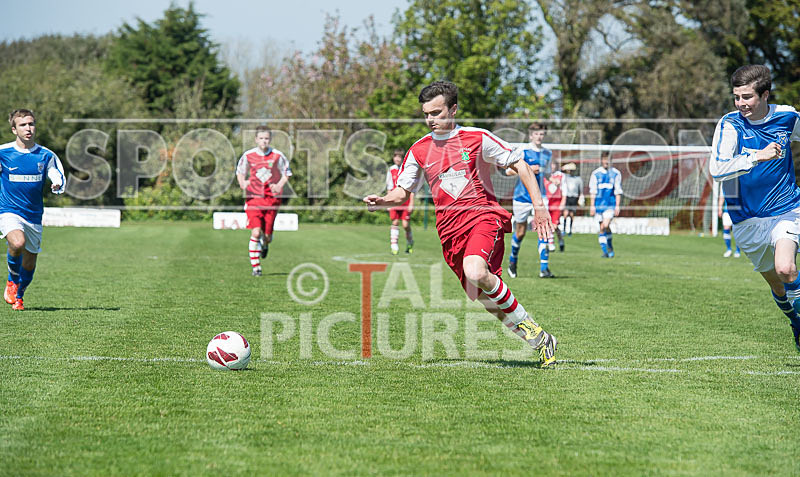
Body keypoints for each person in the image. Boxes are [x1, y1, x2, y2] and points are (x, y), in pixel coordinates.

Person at [363, 81, 558, 367]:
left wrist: (539, 208)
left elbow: (521, 165)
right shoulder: (419, 150)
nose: (431, 119)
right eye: (426, 114)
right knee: (485, 298)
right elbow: (403, 191)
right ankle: (540, 339)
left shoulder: (477, 138)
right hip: (449, 232)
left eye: (437, 112)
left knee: (475, 271)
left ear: (453, 109)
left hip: (482, 217)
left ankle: (530, 326)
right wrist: (383, 200)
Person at [709, 64, 800, 353]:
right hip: (745, 219)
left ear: (765, 95)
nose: (741, 103)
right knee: (778, 286)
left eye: (747, 97)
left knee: (786, 267)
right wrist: (756, 157)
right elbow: (717, 169)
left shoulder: (787, 117)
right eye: (736, 97)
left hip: (785, 208)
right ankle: (795, 322)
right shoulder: (730, 125)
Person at [0, 109, 65, 311]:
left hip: (34, 216)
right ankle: (12, 280)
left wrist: (56, 183)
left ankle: (19, 296)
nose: (28, 128)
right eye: (23, 125)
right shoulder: (3, 152)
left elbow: (56, 172)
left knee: (29, 265)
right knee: (17, 242)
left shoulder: (46, 155)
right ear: (14, 129)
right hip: (8, 210)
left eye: (31, 124)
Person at [236, 126, 291, 277]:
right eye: (261, 138)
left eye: (266, 138)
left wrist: (279, 185)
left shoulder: (277, 156)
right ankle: (256, 268)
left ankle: (265, 244)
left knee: (267, 237)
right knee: (255, 232)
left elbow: (287, 173)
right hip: (253, 199)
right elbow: (240, 171)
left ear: (270, 139)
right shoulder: (248, 155)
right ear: (256, 139)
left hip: (271, 200)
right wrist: (242, 182)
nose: (264, 141)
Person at [506, 123, 555, 278]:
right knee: (520, 232)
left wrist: (552, 180)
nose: (539, 137)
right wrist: (527, 169)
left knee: (544, 229)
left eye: (541, 134)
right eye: (536, 134)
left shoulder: (547, 153)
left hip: (540, 197)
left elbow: (547, 174)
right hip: (522, 197)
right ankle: (513, 261)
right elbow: (508, 171)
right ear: (531, 135)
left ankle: (544, 268)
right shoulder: (523, 150)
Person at [589, 153, 622, 258]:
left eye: (608, 159)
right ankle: (605, 250)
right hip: (598, 205)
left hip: (610, 205)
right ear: (601, 160)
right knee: (602, 228)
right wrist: (592, 206)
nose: (606, 162)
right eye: (604, 159)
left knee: (605, 225)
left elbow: (618, 191)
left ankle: (609, 248)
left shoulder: (616, 173)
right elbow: (593, 191)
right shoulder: (596, 174)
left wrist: (617, 206)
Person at [386, 149, 415, 255]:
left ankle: (410, 242)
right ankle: (394, 246)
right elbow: (389, 188)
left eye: (399, 157)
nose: (397, 159)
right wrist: (388, 202)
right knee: (395, 222)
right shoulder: (391, 170)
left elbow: (412, 187)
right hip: (394, 200)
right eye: (396, 156)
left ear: (402, 158)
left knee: (405, 225)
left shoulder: (406, 169)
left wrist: (411, 203)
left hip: (405, 201)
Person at [560, 162, 583, 236]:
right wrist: (566, 167)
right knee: (565, 213)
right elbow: (560, 171)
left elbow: (580, 191)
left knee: (572, 214)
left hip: (574, 197)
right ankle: (563, 229)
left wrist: (580, 198)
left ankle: (570, 230)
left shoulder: (578, 179)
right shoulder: (565, 177)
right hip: (567, 197)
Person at [718, 189, 740, 258]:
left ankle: (738, 251)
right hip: (727, 211)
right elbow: (722, 197)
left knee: (736, 230)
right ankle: (729, 250)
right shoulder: (723, 185)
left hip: (737, 211)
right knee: (726, 229)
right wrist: (719, 208)